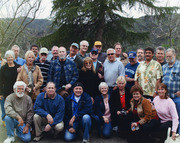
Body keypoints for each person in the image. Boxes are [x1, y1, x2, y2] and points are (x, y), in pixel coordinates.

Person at [162, 48, 180, 134]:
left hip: (177, 98)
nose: (168, 58)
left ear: (174, 55)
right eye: (167, 56)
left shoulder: (179, 66)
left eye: (170, 56)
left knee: (178, 117)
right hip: (166, 98)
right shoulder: (164, 67)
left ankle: (178, 135)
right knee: (167, 118)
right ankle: (168, 136)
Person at [0, 50, 20, 126]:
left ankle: (14, 119)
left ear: (14, 58)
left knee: (15, 106)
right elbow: (0, 81)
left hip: (15, 90)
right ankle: (4, 119)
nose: (10, 59)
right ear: (6, 58)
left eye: (11, 57)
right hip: (6, 90)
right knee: (5, 106)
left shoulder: (18, 67)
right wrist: (0, 93)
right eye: (8, 57)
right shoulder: (3, 68)